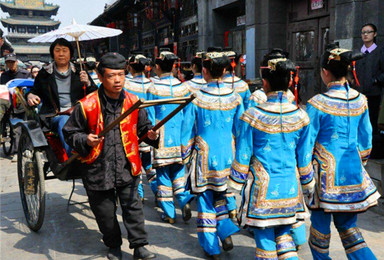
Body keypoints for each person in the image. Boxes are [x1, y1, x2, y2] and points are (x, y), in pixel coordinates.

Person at [63, 52, 158, 260]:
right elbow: (70, 133)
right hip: (97, 166)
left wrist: (151, 135)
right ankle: (113, 245)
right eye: (111, 75)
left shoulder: (133, 101)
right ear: (100, 76)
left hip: (126, 163)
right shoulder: (86, 105)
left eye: (121, 75)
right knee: (105, 214)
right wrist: (85, 139)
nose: (117, 80)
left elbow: (144, 128)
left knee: (133, 208)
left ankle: (139, 245)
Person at [229, 54, 315, 260]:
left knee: (265, 240)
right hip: (291, 188)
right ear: (289, 82)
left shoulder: (253, 116)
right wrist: (308, 184)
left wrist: (234, 185)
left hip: (263, 189)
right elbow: (304, 158)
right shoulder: (301, 116)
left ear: (265, 83)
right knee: (285, 236)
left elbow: (242, 155)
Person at [306, 46, 380, 259]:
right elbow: (366, 140)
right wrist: (359, 163)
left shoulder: (317, 103)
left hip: (324, 176)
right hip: (353, 173)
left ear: (325, 72)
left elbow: (307, 144)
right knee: (349, 230)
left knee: (319, 231)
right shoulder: (361, 100)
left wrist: (304, 173)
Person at [181, 51, 242, 259]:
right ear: (225, 71)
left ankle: (211, 247)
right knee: (222, 197)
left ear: (204, 71)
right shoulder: (235, 97)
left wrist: (185, 156)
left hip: (204, 157)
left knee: (206, 201)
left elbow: (188, 130)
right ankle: (225, 232)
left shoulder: (197, 98)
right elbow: (240, 130)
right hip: (228, 155)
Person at [26, 38, 96, 157]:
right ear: (53, 53)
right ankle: (73, 157)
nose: (61, 54)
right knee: (65, 122)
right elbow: (34, 91)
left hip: (80, 113)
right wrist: (30, 95)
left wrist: (88, 83)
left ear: (71, 53)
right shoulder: (45, 73)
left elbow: (94, 94)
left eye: (65, 50)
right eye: (57, 50)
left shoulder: (80, 72)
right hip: (55, 115)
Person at [147, 50, 194, 224]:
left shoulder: (154, 88)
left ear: (157, 67)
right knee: (179, 173)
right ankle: (183, 200)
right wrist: (186, 138)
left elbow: (150, 116)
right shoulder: (184, 87)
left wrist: (152, 133)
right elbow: (189, 117)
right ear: (174, 67)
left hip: (162, 138)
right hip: (180, 136)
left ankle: (169, 213)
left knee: (164, 176)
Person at [125, 53, 157, 201]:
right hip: (149, 130)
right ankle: (157, 190)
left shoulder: (125, 85)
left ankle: (139, 195)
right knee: (149, 165)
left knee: (134, 164)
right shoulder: (154, 85)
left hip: (132, 130)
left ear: (130, 67)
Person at [355, 23, 384, 136]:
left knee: (371, 122)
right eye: (363, 32)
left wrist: (375, 80)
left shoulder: (380, 51)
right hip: (358, 93)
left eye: (369, 32)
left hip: (374, 94)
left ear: (375, 34)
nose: (365, 35)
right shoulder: (357, 52)